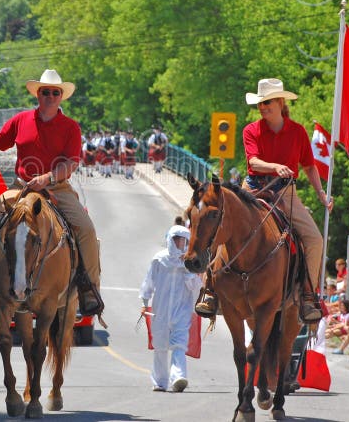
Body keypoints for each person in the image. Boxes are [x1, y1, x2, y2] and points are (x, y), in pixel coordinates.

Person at [0, 69, 103, 316]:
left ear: (61, 97)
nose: (50, 96)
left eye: (55, 92)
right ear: (37, 95)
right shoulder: (21, 120)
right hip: (21, 187)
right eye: (45, 92)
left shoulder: (71, 127)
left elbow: (71, 163)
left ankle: (89, 289)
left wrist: (48, 177)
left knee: (86, 229)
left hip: (57, 188)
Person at [196, 78, 332, 323]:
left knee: (314, 239)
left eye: (267, 102)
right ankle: (210, 290)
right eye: (260, 103)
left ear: (281, 102)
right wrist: (275, 166)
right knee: (220, 225)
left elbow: (310, 166)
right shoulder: (252, 130)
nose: (262, 107)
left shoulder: (298, 131)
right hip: (254, 189)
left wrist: (321, 194)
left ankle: (308, 297)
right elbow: (253, 163)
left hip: (285, 192)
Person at [139, 225, 202, 392]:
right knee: (160, 346)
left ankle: (178, 377)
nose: (180, 244)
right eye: (177, 240)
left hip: (182, 310)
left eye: (184, 241)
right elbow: (148, 282)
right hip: (160, 310)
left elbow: (196, 287)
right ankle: (159, 381)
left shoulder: (191, 263)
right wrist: (144, 303)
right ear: (171, 240)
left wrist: (188, 272)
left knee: (179, 344)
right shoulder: (159, 259)